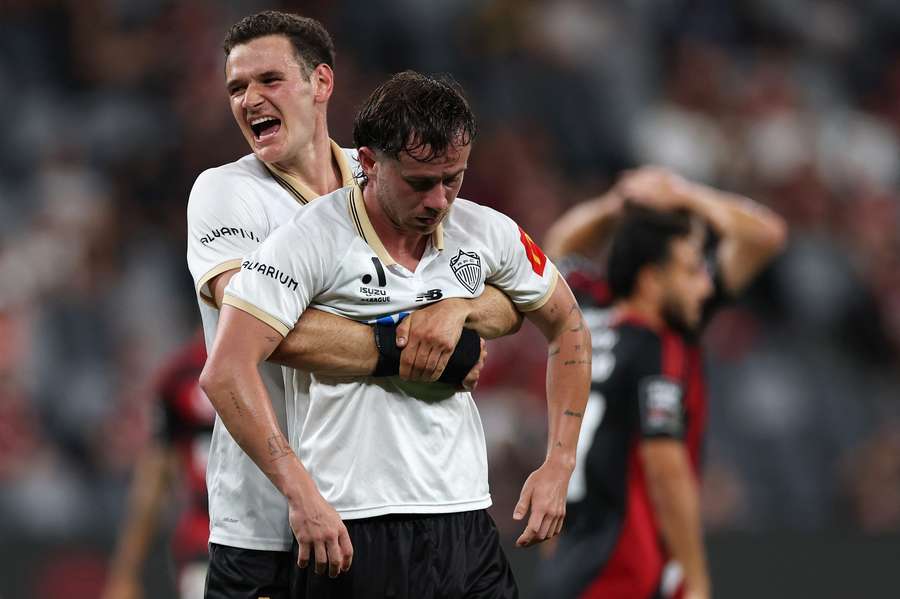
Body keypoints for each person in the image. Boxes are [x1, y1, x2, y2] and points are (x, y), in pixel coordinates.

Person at [200, 70, 592, 598]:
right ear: (367, 162)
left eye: (453, 178)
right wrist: (301, 495)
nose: (438, 200)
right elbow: (226, 371)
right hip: (356, 525)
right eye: (419, 182)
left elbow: (568, 325)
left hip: (466, 518)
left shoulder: (485, 231)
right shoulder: (309, 239)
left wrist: (560, 463)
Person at [538, 167, 787, 599]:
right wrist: (697, 581)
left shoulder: (585, 314)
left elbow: (558, 244)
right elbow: (664, 466)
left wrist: (618, 203)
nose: (706, 284)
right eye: (692, 270)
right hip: (625, 568)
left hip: (570, 559)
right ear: (652, 280)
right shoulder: (659, 343)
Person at [103, 333, 212, 599]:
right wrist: (125, 572)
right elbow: (155, 475)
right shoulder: (181, 373)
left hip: (280, 539)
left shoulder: (284, 360)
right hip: (206, 541)